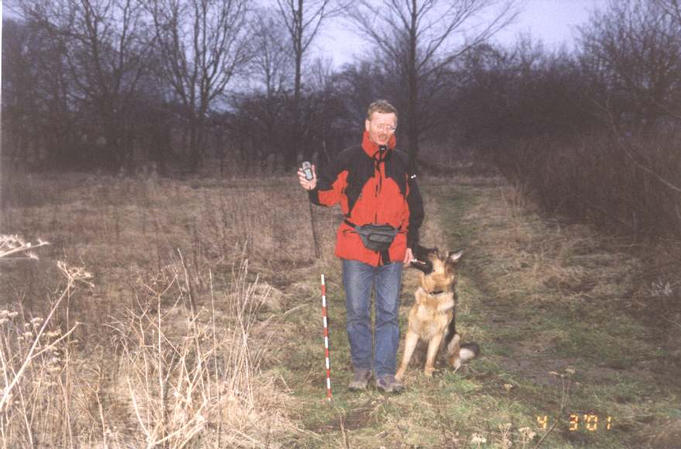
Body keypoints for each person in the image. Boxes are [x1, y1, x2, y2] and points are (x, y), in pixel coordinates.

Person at [297, 99, 424, 393]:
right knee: (356, 313)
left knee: (389, 314)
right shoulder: (348, 158)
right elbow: (326, 195)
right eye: (379, 124)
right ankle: (362, 368)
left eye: (390, 126)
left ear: (395, 127)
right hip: (356, 246)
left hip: (393, 248)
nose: (384, 130)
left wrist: (411, 244)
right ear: (367, 125)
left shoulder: (403, 162)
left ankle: (385, 373)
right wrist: (313, 186)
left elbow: (414, 207)